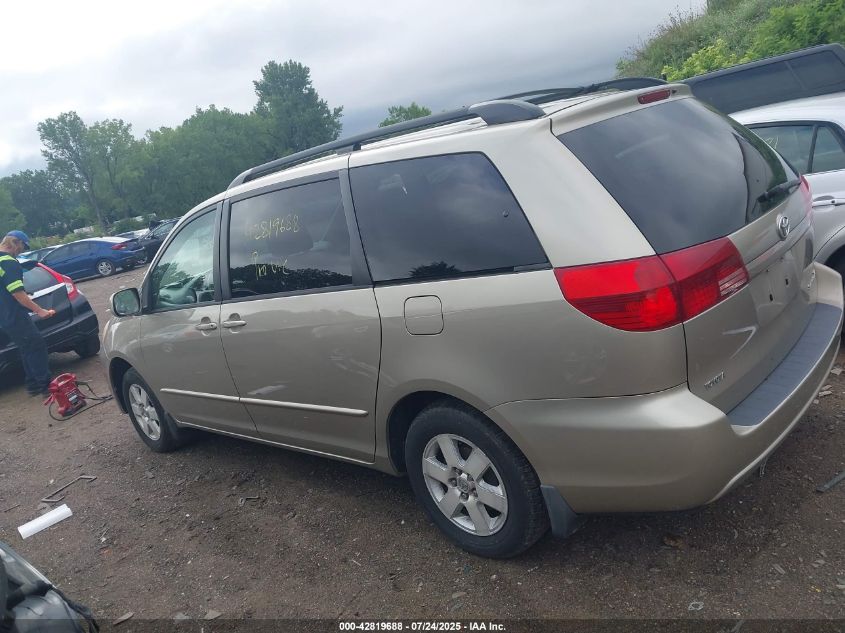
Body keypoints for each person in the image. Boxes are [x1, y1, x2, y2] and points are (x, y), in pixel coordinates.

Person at [0, 230, 55, 396]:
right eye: (22, 247)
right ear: (15, 243)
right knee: (35, 344)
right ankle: (46, 386)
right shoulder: (8, 262)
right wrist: (40, 310)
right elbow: (16, 293)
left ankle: (33, 385)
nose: (21, 251)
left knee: (27, 347)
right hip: (13, 315)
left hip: (4, 316)